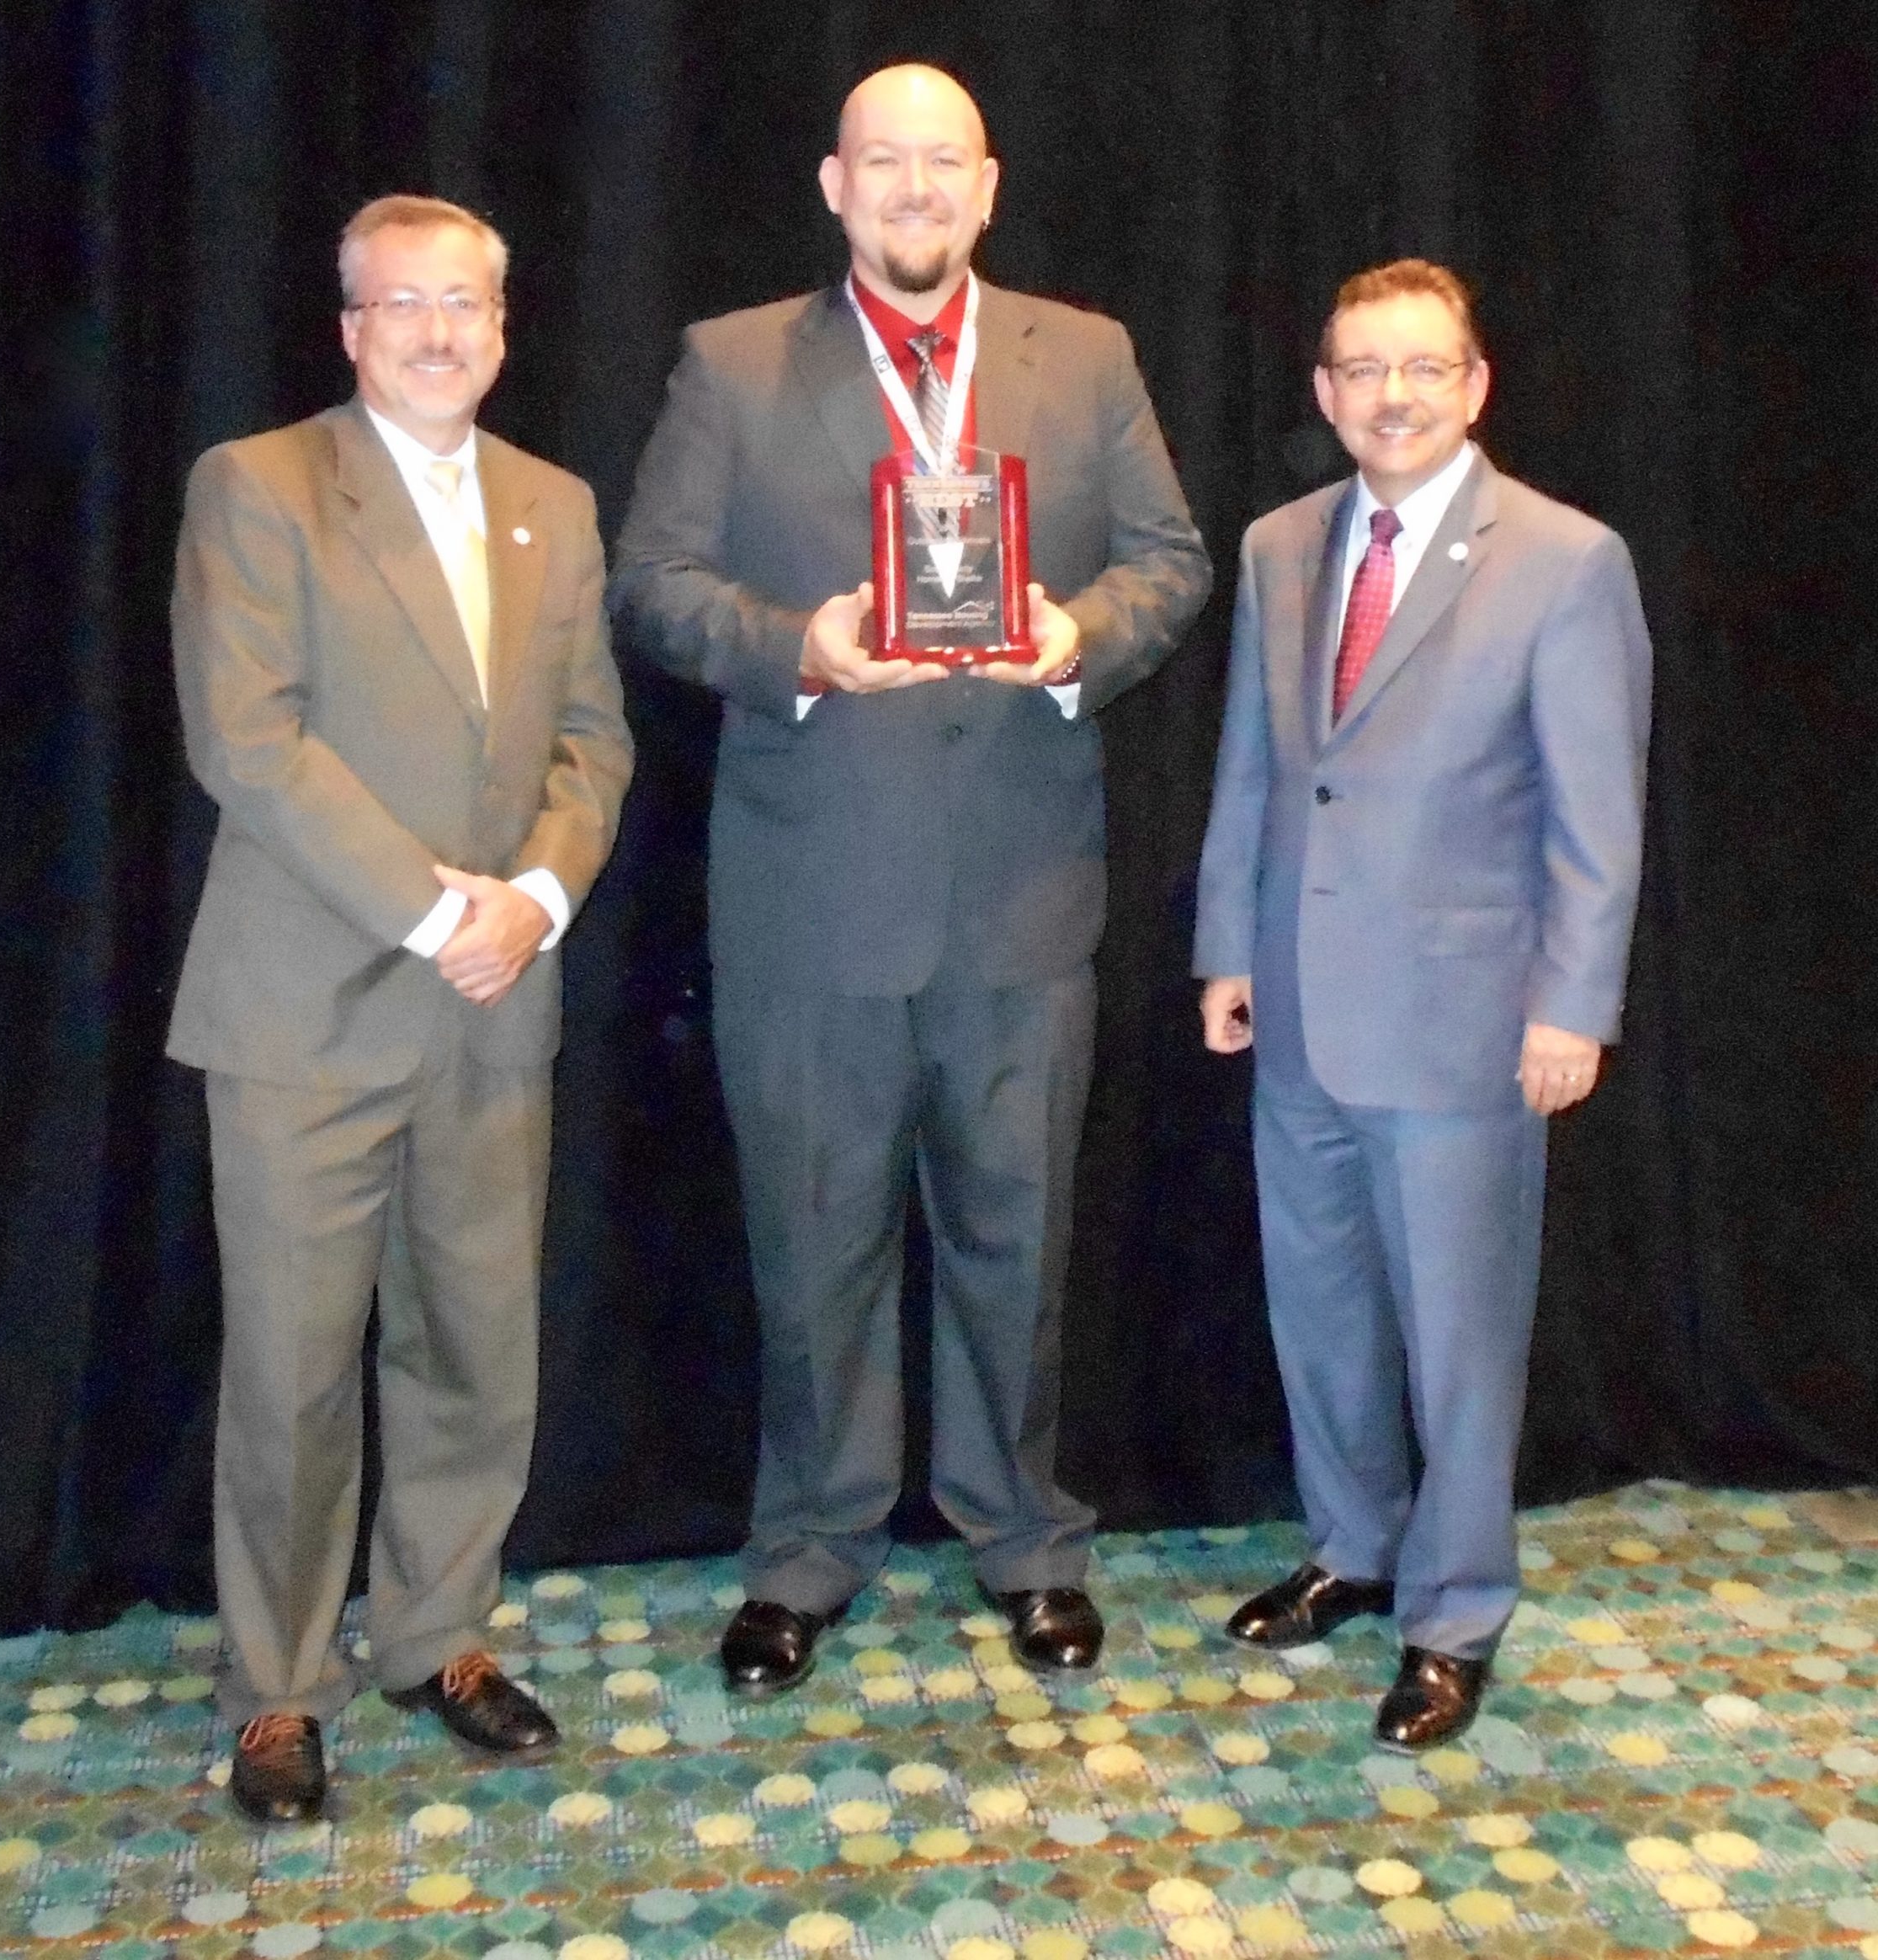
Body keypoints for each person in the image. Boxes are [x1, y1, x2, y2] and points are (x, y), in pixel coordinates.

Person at [611, 65, 1210, 1695]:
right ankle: (808, 1548)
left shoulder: (1082, 358)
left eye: (941, 161)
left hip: (1021, 894)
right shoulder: (730, 366)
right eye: (885, 161)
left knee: (1015, 1237)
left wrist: (1076, 634)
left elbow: (1170, 559)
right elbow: (652, 585)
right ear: (832, 183)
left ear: (988, 185)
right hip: (811, 901)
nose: (914, 188)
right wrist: (791, 650)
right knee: (813, 1250)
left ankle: (1025, 1538)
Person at [167, 194, 633, 1820]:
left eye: (468, 304)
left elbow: (594, 741)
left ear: (504, 326)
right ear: (350, 326)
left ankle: (440, 1632)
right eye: (404, 305)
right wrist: (444, 908)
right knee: (293, 1372)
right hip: (311, 1010)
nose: (441, 332)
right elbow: (249, 741)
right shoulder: (260, 485)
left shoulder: (555, 505)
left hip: (498, 1002)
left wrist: (541, 899)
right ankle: (277, 1689)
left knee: (473, 1347)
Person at [1194, 259, 1651, 1750]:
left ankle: (1456, 1611)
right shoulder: (1277, 545)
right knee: (1317, 1306)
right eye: (1362, 371)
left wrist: (1571, 1007)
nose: (1392, 396)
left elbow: (1599, 816)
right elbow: (1258, 770)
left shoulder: (1567, 561)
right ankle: (1353, 1546)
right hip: (1301, 1012)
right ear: (1324, 392)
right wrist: (1225, 948)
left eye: (1424, 368)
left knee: (1459, 1335)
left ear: (1475, 384)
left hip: (1464, 1022)